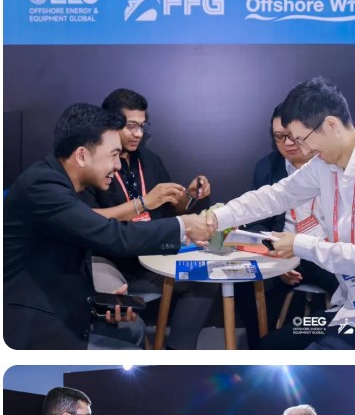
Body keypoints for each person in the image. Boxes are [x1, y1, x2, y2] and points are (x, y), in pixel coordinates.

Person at [185, 77, 355, 349]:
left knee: (310, 357)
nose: (302, 150)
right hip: (346, 309)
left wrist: (298, 244)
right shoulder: (324, 165)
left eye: (302, 140)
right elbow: (276, 196)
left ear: (331, 125)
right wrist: (215, 219)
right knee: (270, 346)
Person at [3, 103, 212, 349]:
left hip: (60, 302)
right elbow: (112, 235)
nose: (118, 165)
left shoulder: (58, 181)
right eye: (113, 155)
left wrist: (99, 304)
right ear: (82, 156)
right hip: (30, 324)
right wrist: (182, 226)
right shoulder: (42, 186)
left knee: (132, 331)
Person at [81, 88, 218, 349]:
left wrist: (190, 196)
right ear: (110, 123)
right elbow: (86, 219)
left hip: (150, 256)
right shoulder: (92, 163)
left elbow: (173, 209)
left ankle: (177, 353)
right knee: (124, 319)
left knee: (204, 278)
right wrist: (142, 203)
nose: (139, 134)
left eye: (143, 126)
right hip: (107, 259)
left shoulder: (149, 159)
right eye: (131, 126)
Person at [234, 103, 339, 348]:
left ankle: (318, 339)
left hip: (329, 250)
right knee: (245, 283)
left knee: (354, 294)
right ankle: (259, 348)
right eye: (279, 137)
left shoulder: (331, 164)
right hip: (285, 249)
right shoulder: (267, 167)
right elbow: (256, 224)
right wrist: (276, 256)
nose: (287, 143)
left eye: (292, 136)